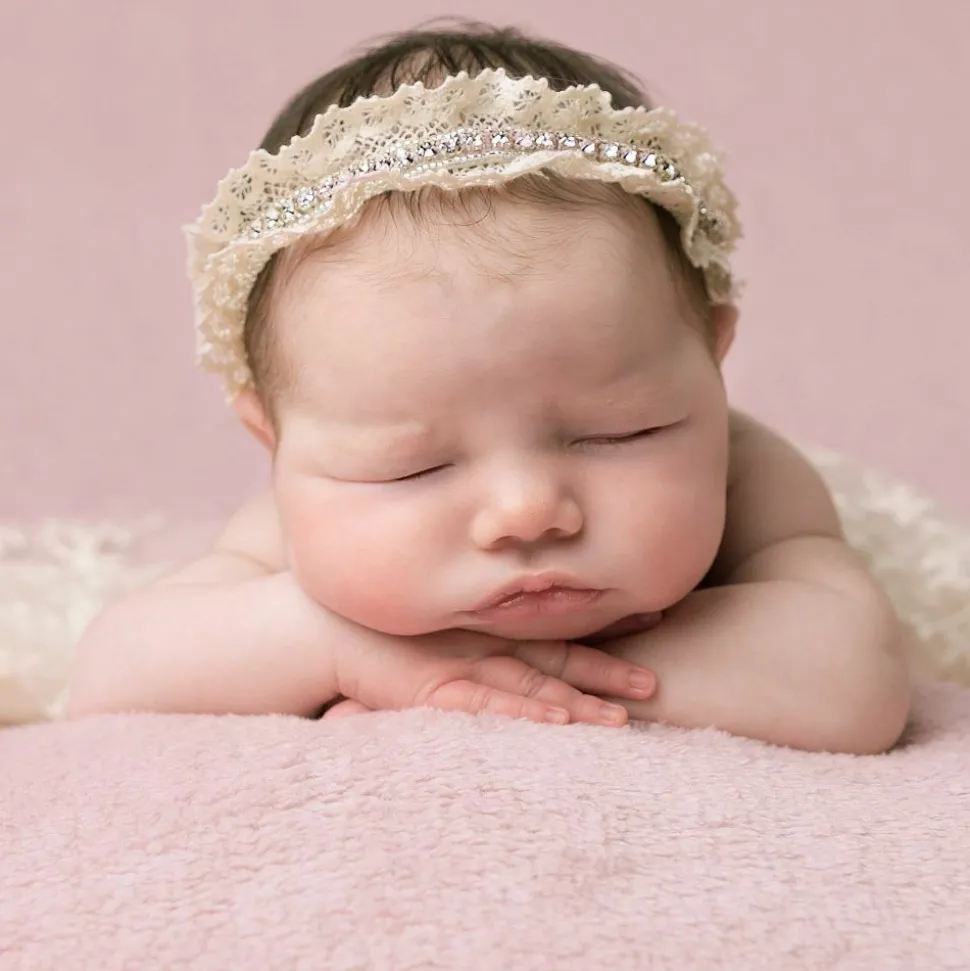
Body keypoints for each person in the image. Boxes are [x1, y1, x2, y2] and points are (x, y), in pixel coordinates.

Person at [67, 22, 911, 753]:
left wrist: (531, 676)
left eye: (618, 432)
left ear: (713, 363)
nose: (525, 510)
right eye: (413, 468)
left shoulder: (750, 475)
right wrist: (337, 646)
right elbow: (111, 673)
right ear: (275, 443)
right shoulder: (293, 528)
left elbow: (855, 678)